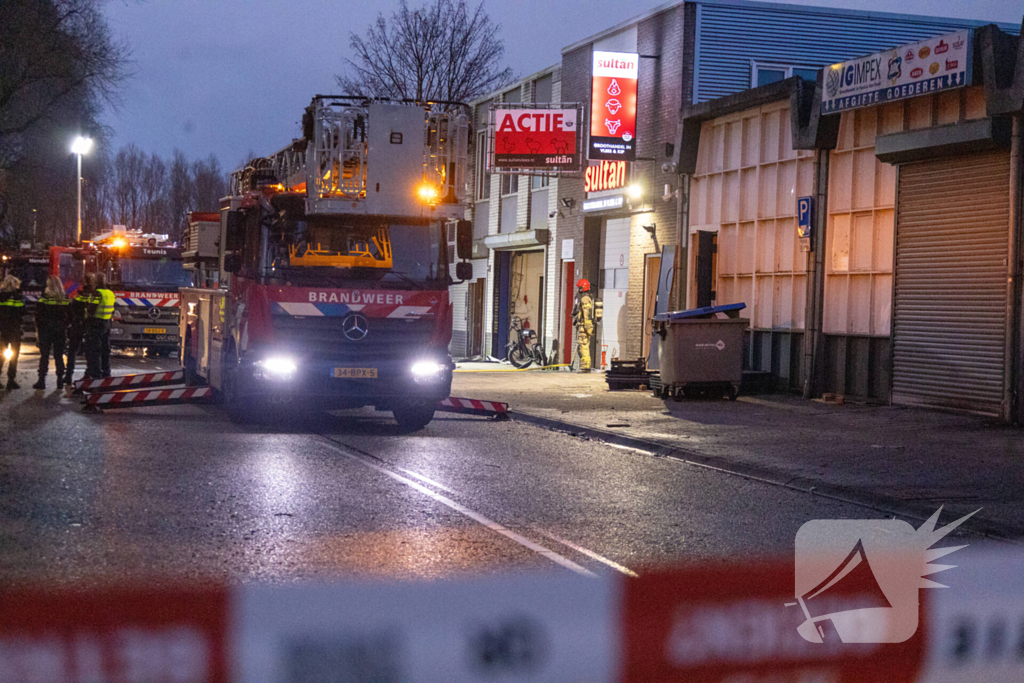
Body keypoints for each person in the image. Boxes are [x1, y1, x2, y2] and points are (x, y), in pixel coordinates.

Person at [33, 276, 69, 390]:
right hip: (60, 331)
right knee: (59, 356)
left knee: (44, 356)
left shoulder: (44, 298)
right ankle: (59, 381)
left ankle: (41, 381)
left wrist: (38, 331)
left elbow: (38, 316)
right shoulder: (64, 298)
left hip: (46, 330)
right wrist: (64, 325)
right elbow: (70, 316)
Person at [83, 272, 115, 379]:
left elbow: (91, 309)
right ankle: (106, 373)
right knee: (105, 350)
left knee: (93, 351)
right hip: (106, 324)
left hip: (95, 324)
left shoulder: (97, 293)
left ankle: (95, 375)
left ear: (95, 281)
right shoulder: (110, 293)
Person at [0, 274, 25, 390]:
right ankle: (11, 380)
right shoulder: (18, 297)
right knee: (14, 356)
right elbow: (22, 312)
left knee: (1, 356)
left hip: (2, 330)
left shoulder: (0, 296)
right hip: (14, 330)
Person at [64, 281, 90, 390]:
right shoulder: (92, 300)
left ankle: (68, 376)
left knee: (72, 352)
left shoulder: (75, 301)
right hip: (89, 328)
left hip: (76, 328)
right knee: (90, 354)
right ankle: (88, 375)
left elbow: (70, 315)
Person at [571, 278, 595, 373]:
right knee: (582, 345)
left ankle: (585, 367)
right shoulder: (582, 297)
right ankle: (584, 366)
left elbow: (587, 313)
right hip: (581, 326)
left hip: (584, 327)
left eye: (579, 287)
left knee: (583, 346)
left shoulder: (585, 298)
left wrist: (587, 327)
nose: (578, 289)